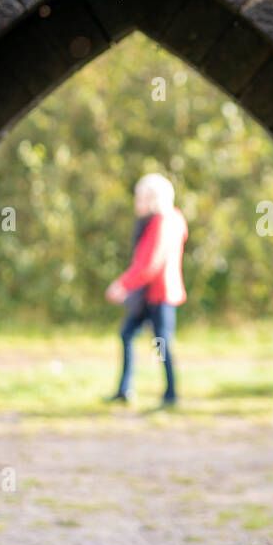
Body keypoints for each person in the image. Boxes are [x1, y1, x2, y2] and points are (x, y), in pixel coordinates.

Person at [106, 173, 188, 407]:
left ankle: (170, 394)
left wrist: (123, 284)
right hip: (149, 295)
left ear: (152, 199)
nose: (136, 203)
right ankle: (125, 389)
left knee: (161, 344)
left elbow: (148, 263)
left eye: (139, 198)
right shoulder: (165, 220)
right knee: (129, 335)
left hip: (159, 295)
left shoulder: (163, 222)